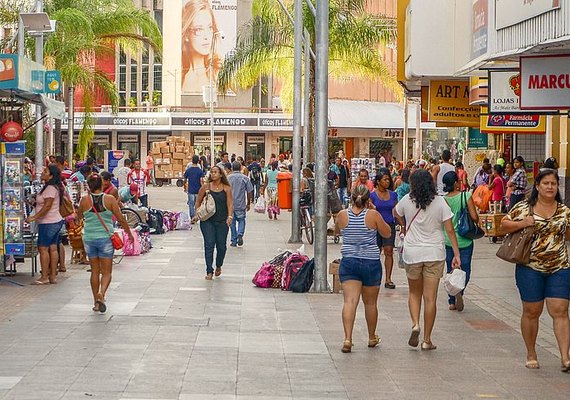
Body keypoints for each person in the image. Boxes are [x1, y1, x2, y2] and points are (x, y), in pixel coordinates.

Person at [500, 169, 570, 372]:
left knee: (560, 310)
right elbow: (503, 225)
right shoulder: (524, 208)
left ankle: (565, 357)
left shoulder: (564, 211)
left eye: (553, 184)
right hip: (530, 267)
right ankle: (531, 352)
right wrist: (524, 223)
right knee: (532, 311)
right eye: (546, 183)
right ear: (537, 186)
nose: (550, 187)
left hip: (560, 267)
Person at [394, 169, 461, 351]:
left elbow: (395, 211)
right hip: (434, 253)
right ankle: (427, 339)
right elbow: (449, 230)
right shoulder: (440, 202)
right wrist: (456, 253)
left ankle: (415, 324)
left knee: (414, 293)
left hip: (413, 253)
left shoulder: (407, 200)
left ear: (413, 184)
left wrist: (403, 225)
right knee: (430, 298)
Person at [335, 185, 392, 353]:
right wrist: (375, 212)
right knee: (370, 303)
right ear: (369, 200)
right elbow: (387, 233)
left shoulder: (342, 215)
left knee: (349, 301)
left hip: (349, 261)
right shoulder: (373, 215)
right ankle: (371, 336)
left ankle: (347, 339)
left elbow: (338, 231)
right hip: (370, 262)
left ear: (351, 197)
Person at [76, 174, 133, 313]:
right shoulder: (110, 199)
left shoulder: (84, 200)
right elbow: (120, 219)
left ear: (89, 185)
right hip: (106, 238)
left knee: (95, 271)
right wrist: (129, 234)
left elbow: (78, 218)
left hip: (89, 238)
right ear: (101, 184)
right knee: (106, 272)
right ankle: (102, 293)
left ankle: (96, 302)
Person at [442, 171, 479, 312]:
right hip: (465, 239)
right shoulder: (466, 196)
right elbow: (474, 216)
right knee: (465, 269)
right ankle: (460, 292)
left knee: (451, 270)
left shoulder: (443, 200)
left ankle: (451, 301)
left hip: (448, 240)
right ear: (456, 183)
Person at [27, 165, 64, 285]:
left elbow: (47, 206)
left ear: (51, 176)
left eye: (46, 171)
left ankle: (44, 276)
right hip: (54, 221)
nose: (43, 173)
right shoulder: (53, 188)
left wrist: (34, 217)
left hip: (48, 222)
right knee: (52, 248)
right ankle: (52, 276)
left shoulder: (50, 189)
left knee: (43, 248)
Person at [195, 165, 233, 280]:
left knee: (221, 246)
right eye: (212, 172)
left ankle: (218, 265)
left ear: (221, 174)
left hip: (222, 221)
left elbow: (230, 203)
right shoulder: (206, 187)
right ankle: (209, 271)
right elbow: (198, 201)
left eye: (215, 172)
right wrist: (197, 214)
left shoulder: (226, 188)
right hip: (207, 221)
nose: (213, 174)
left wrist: (230, 216)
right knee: (209, 244)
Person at [370, 168, 402, 290]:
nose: (387, 182)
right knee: (375, 252)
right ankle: (375, 277)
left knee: (389, 251)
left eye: (388, 179)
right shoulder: (372, 195)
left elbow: (396, 211)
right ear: (378, 181)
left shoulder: (393, 195)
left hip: (389, 225)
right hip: (376, 227)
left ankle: (388, 279)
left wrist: (402, 225)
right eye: (385, 179)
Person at [181, 0, 221, 94]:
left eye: (210, 28)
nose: (206, 36)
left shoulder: (218, 72)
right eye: (199, 29)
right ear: (186, 35)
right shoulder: (178, 76)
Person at [228, 161, 253, 247]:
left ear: (232, 168)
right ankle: (240, 234)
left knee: (232, 223)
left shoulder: (228, 178)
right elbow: (249, 191)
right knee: (242, 220)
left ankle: (234, 241)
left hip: (231, 205)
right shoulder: (245, 178)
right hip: (241, 203)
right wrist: (249, 203)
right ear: (240, 168)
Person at [184, 155, 204, 221]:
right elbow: (201, 181)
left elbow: (185, 179)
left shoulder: (188, 170)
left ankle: (192, 217)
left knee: (191, 204)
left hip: (190, 190)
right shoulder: (200, 171)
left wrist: (185, 186)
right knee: (197, 204)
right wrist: (203, 188)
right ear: (198, 161)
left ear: (192, 161)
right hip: (198, 190)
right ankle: (196, 216)